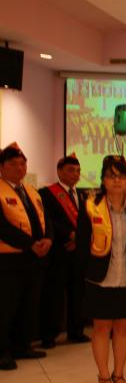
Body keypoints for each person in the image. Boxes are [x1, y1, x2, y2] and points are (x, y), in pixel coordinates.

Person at [76, 155, 126, 383]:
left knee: (123, 328)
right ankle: (104, 376)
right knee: (102, 328)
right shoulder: (90, 206)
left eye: (121, 176)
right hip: (100, 279)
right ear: (103, 180)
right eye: (111, 176)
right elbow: (82, 247)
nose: (116, 181)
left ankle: (119, 374)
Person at [0, 143, 52, 370]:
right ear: (2, 167)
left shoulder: (31, 191)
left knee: (28, 305)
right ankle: (2, 352)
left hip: (34, 259)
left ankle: (23, 345)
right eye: (13, 164)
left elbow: (45, 219)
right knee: (6, 307)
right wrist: (30, 244)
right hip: (9, 261)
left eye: (23, 164)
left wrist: (48, 239)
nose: (19, 168)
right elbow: (2, 227)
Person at [39, 153, 89, 347]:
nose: (75, 174)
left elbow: (87, 222)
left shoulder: (83, 195)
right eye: (70, 170)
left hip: (78, 253)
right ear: (59, 171)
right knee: (54, 295)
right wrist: (69, 235)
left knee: (78, 294)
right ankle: (49, 335)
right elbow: (48, 220)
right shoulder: (47, 193)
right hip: (59, 252)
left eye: (78, 171)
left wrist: (80, 239)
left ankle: (76, 331)